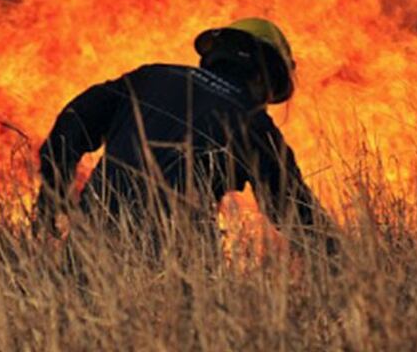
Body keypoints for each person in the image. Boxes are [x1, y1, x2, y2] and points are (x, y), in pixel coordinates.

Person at [34, 18, 335, 253]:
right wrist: (346, 265)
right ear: (262, 75)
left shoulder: (150, 78)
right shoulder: (253, 122)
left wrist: (52, 192)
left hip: (93, 240)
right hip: (176, 260)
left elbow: (73, 123)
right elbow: (297, 214)